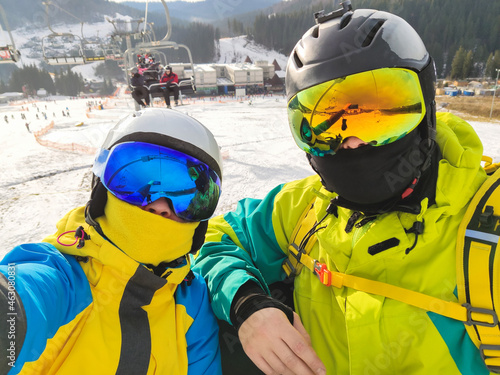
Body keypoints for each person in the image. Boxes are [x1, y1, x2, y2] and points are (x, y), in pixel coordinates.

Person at [193, 3, 491, 375]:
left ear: (426, 109)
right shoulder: (302, 208)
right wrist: (247, 304)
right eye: (325, 126)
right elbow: (212, 239)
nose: (350, 144)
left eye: (376, 116)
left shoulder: (484, 230)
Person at [0, 109, 223, 374]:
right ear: (101, 190)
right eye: (138, 184)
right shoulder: (63, 274)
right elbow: (22, 297)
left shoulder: (191, 302)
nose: (160, 206)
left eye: (188, 200)